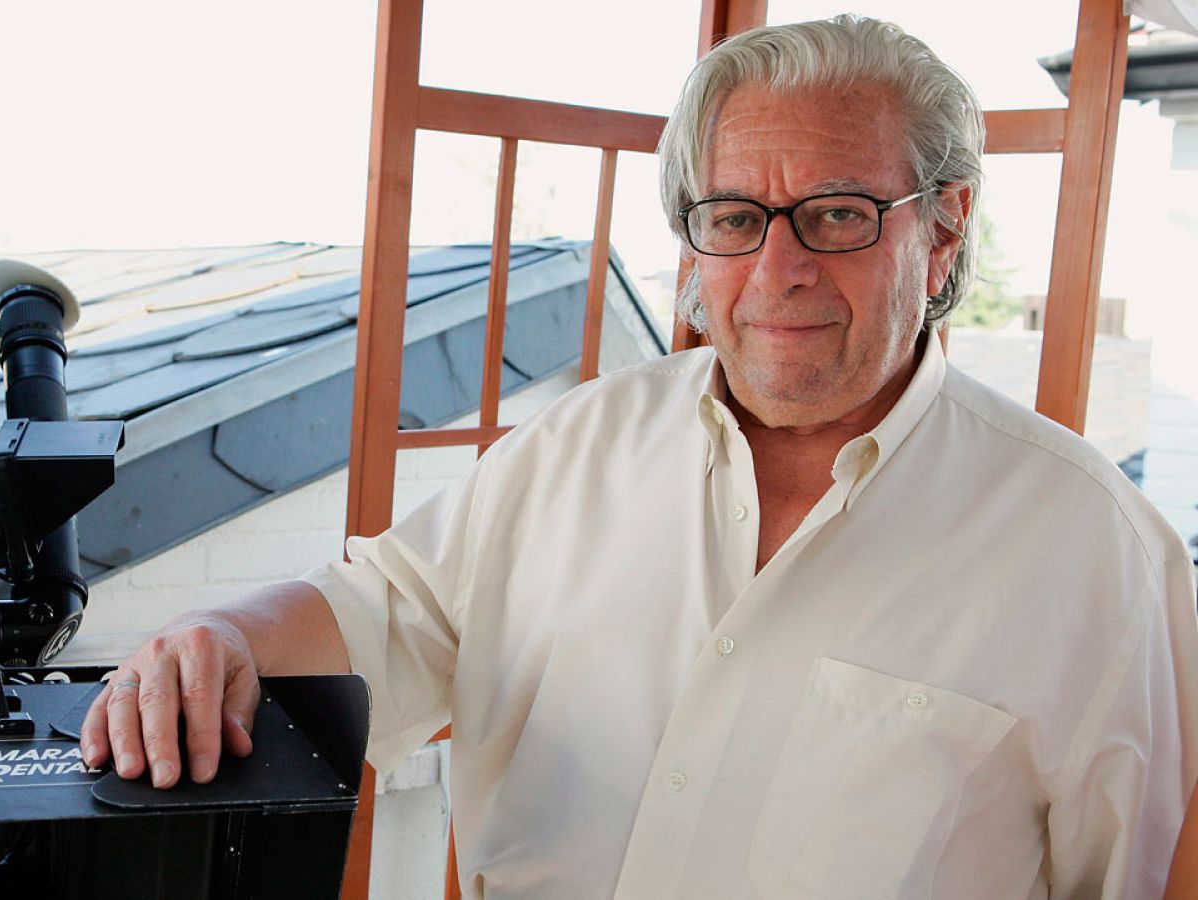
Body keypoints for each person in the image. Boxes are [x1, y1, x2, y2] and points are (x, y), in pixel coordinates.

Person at [81, 15, 1198, 898]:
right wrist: (216, 635)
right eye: (732, 216)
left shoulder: (1099, 554)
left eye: (839, 214)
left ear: (944, 224)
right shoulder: (575, 445)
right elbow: (381, 611)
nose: (779, 268)